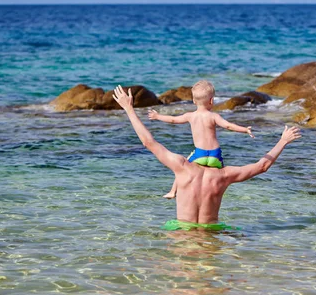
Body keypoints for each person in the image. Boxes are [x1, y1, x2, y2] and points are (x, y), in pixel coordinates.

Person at [112, 85, 301, 228]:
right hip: (211, 235)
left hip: (182, 233)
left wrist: (129, 109)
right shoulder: (224, 175)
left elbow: (149, 142)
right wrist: (283, 141)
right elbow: (262, 166)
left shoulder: (182, 167)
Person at [147, 80, 254, 199]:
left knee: (181, 169)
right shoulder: (214, 116)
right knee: (221, 176)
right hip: (215, 155)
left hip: (200, 154)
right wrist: (245, 129)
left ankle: (173, 191)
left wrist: (157, 116)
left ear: (193, 101)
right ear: (212, 101)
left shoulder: (190, 116)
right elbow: (228, 126)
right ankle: (215, 195)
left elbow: (173, 120)